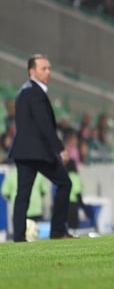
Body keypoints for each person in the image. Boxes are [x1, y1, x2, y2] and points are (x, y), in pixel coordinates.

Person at [7, 54, 74, 241]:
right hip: (38, 152)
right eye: (44, 68)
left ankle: (19, 238)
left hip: (23, 151)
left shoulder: (23, 91)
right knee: (64, 183)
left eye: (49, 68)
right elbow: (44, 124)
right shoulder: (35, 92)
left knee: (22, 195)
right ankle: (58, 231)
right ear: (31, 71)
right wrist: (60, 148)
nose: (48, 72)